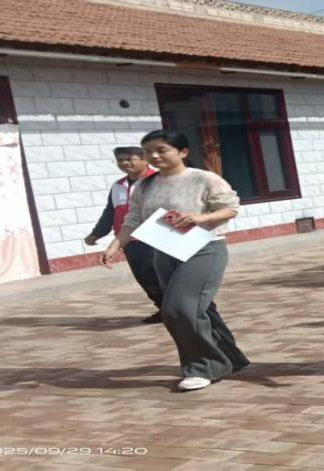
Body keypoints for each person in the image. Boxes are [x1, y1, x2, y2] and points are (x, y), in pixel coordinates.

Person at [100, 130, 248, 391]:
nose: (154, 156)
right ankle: (230, 357)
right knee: (200, 309)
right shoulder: (145, 185)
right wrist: (115, 245)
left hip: (204, 249)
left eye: (162, 150)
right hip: (164, 250)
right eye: (148, 152)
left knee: (178, 309)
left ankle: (204, 367)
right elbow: (133, 219)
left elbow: (230, 208)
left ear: (183, 152)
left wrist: (199, 218)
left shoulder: (203, 178)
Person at [83, 146, 163, 324]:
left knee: (163, 275)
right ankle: (163, 309)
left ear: (145, 160)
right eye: (120, 160)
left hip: (157, 238)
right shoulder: (118, 186)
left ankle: (179, 310)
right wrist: (96, 234)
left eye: (129, 159)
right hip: (129, 240)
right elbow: (110, 212)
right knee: (145, 278)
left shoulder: (159, 180)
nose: (125, 163)